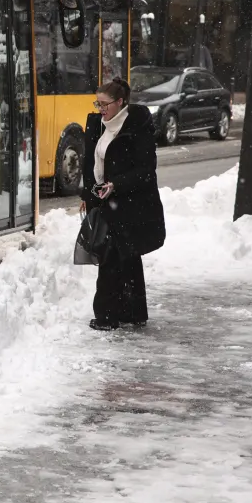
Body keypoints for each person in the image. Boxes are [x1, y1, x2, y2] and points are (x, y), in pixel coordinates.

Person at [81, 77, 166, 331]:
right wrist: (87, 196)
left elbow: (146, 170)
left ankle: (107, 317)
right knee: (126, 257)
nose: (100, 109)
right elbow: (90, 162)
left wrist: (116, 184)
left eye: (105, 104)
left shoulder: (136, 127)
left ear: (120, 102)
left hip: (130, 205)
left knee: (112, 259)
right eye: (98, 103)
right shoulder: (98, 124)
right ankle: (134, 312)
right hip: (106, 203)